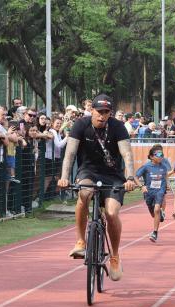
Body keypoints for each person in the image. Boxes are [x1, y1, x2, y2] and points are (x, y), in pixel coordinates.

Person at [57, 94, 135, 282]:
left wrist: (130, 176)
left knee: (111, 213)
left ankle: (114, 256)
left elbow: (126, 153)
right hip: (88, 172)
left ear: (110, 113)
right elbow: (70, 153)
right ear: (91, 110)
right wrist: (64, 177)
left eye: (106, 112)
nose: (102, 116)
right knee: (84, 193)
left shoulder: (118, 127)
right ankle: (81, 241)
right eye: (99, 111)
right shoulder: (80, 125)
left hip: (113, 176)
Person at [134, 145, 169, 242]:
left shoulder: (164, 167)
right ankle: (158, 215)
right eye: (158, 154)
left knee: (157, 209)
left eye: (162, 154)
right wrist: (142, 186)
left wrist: (167, 185)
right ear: (151, 156)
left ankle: (155, 233)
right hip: (149, 192)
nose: (161, 156)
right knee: (153, 214)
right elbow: (136, 177)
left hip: (159, 191)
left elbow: (165, 176)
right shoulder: (146, 167)